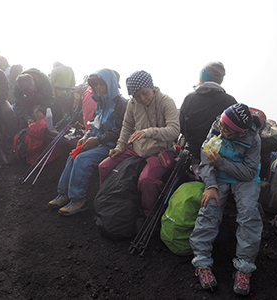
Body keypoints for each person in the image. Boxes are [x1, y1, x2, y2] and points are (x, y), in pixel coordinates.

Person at [189, 103, 262, 296]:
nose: (220, 129)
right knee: (209, 208)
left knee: (249, 213)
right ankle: (202, 261)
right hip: (219, 176)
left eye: (226, 129)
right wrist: (211, 185)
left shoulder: (252, 139)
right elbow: (206, 162)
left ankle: (244, 267)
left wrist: (221, 162)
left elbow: (248, 172)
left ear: (239, 133)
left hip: (245, 178)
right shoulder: (216, 127)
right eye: (221, 123)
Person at [98, 70, 180, 217]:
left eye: (145, 93)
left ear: (152, 87)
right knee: (104, 166)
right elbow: (127, 126)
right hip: (137, 147)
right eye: (136, 96)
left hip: (161, 150)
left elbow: (174, 131)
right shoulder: (132, 103)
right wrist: (119, 147)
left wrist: (149, 132)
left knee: (146, 180)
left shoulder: (166, 101)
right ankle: (106, 203)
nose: (141, 98)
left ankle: (148, 214)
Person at [48, 69, 127, 216]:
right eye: (95, 84)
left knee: (82, 159)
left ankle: (79, 200)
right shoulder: (100, 103)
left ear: (110, 84)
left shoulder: (121, 103)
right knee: (73, 155)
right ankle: (64, 193)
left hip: (112, 145)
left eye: (101, 84)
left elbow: (121, 131)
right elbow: (94, 125)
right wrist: (87, 135)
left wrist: (97, 139)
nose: (98, 87)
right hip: (97, 141)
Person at [179, 62, 237, 178]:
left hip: (193, 156)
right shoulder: (230, 102)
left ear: (203, 76)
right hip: (217, 158)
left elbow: (182, 129)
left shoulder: (189, 98)